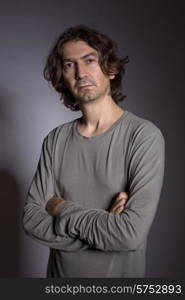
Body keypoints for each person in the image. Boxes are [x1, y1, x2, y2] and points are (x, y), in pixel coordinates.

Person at [22, 25, 165, 278]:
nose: (80, 73)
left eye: (89, 60)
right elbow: (32, 220)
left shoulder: (143, 136)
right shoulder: (55, 140)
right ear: (62, 77)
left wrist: (60, 208)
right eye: (69, 65)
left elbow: (129, 235)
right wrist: (103, 234)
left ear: (111, 69)